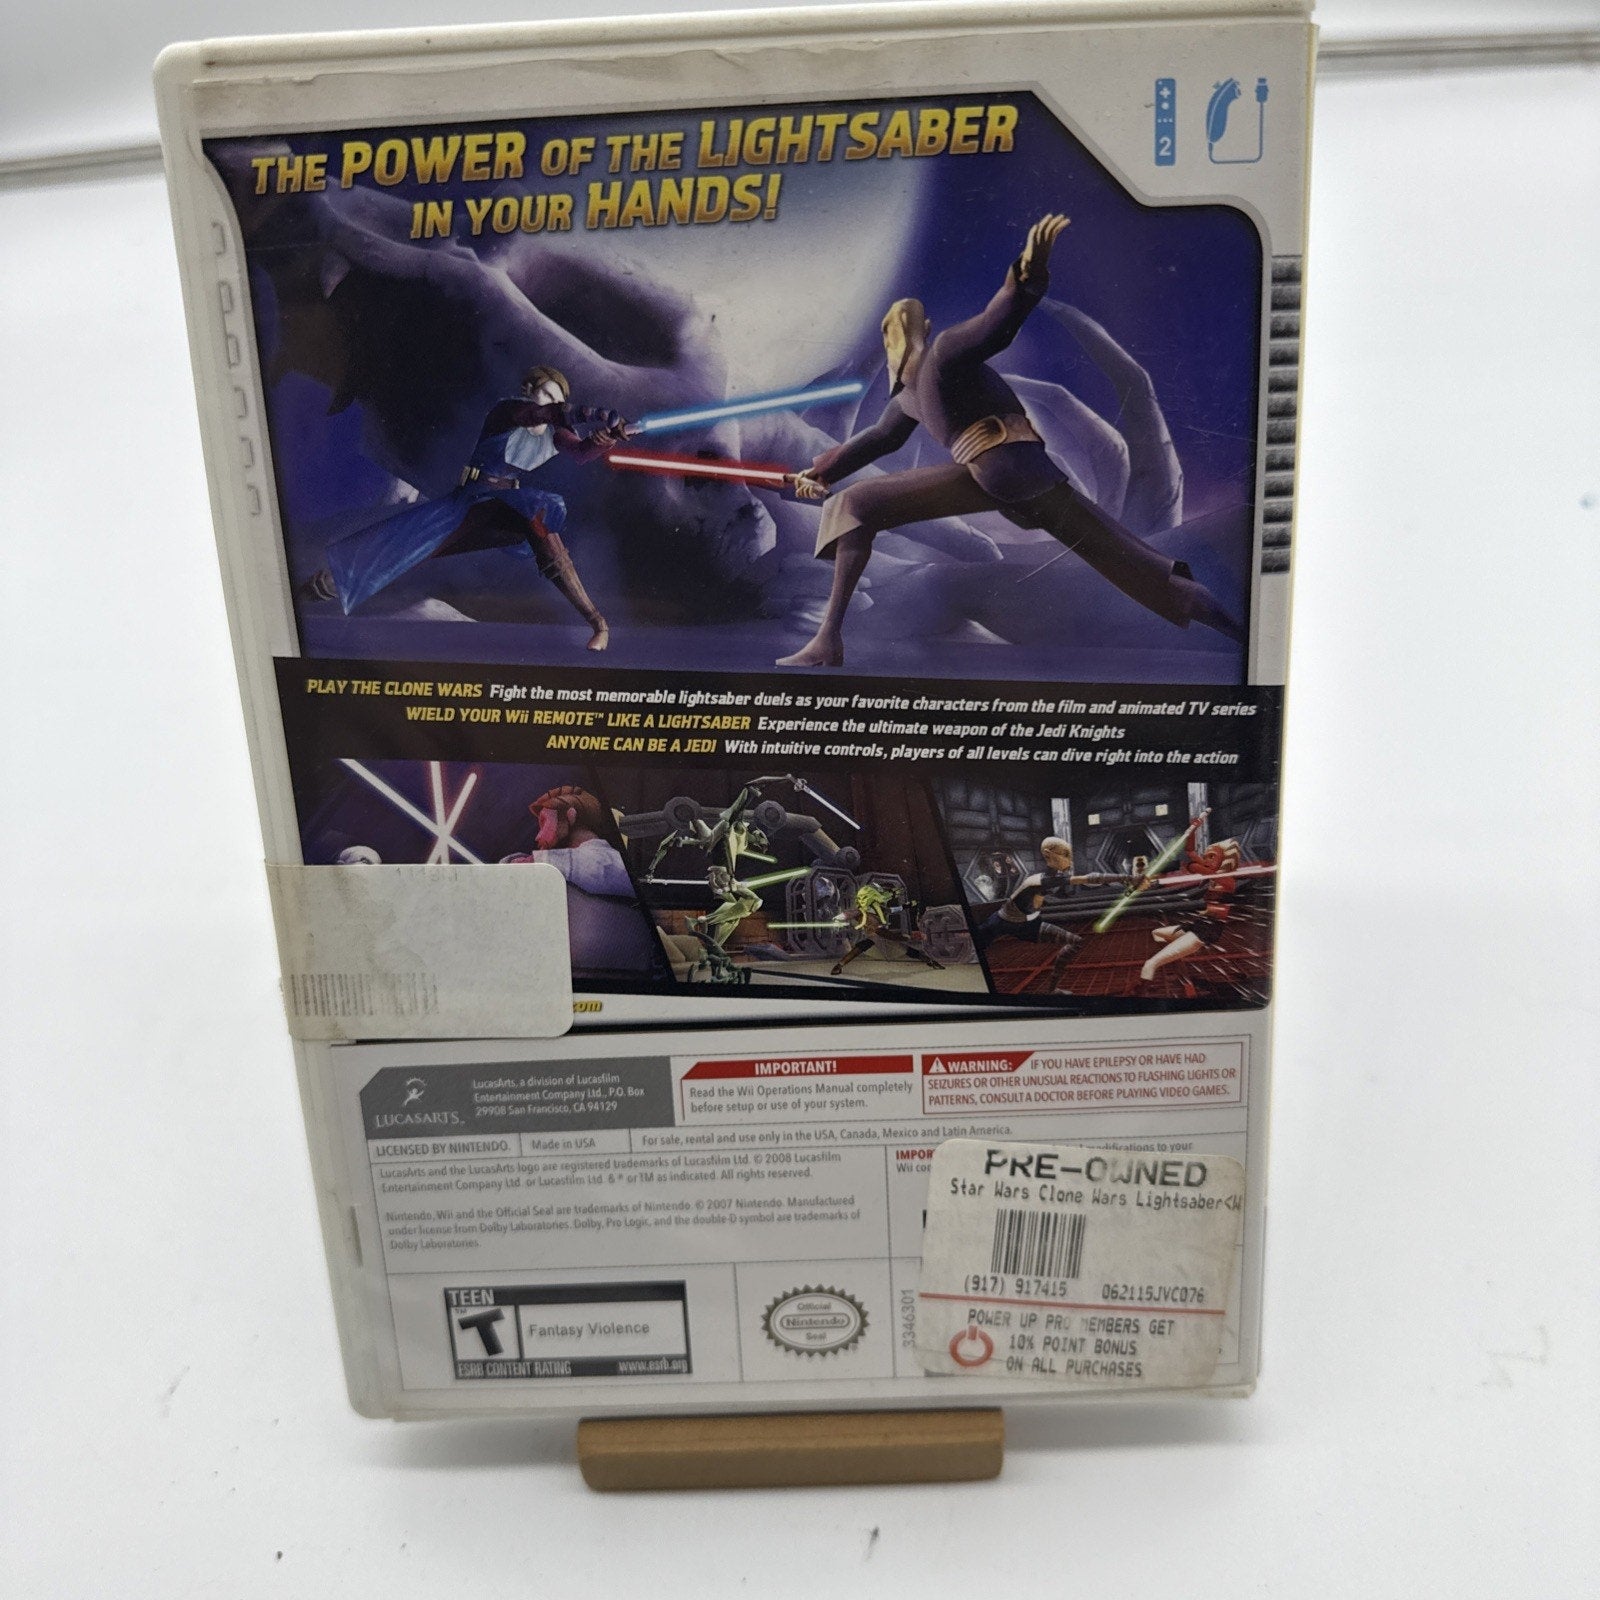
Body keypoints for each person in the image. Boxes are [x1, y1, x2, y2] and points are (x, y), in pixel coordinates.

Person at [778, 215, 1243, 667]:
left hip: (1020, 472)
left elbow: (994, 325)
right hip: (980, 475)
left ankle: (1237, 634)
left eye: (900, 325)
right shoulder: (908, 400)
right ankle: (828, 641)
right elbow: (878, 439)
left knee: (1134, 564)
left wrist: (1025, 278)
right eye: (889, 330)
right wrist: (822, 473)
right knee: (857, 503)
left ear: (923, 329)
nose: (893, 337)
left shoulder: (946, 352)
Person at [305, 366, 626, 649]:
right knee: (382, 552)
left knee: (539, 516)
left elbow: (581, 452)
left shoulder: (555, 434)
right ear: (528, 391)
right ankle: (307, 596)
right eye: (546, 394)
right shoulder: (510, 410)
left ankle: (597, 623)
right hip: (467, 503)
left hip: (504, 508)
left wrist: (608, 437)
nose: (551, 402)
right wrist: (596, 414)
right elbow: (541, 414)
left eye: (557, 398)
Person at [974, 836, 1134, 973]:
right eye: (1065, 854)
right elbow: (1085, 879)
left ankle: (1053, 988)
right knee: (976, 946)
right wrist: (1123, 877)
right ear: (1048, 854)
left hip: (1026, 924)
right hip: (1001, 921)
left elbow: (1087, 881)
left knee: (1076, 941)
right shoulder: (1039, 880)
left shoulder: (1050, 881)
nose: (1069, 859)